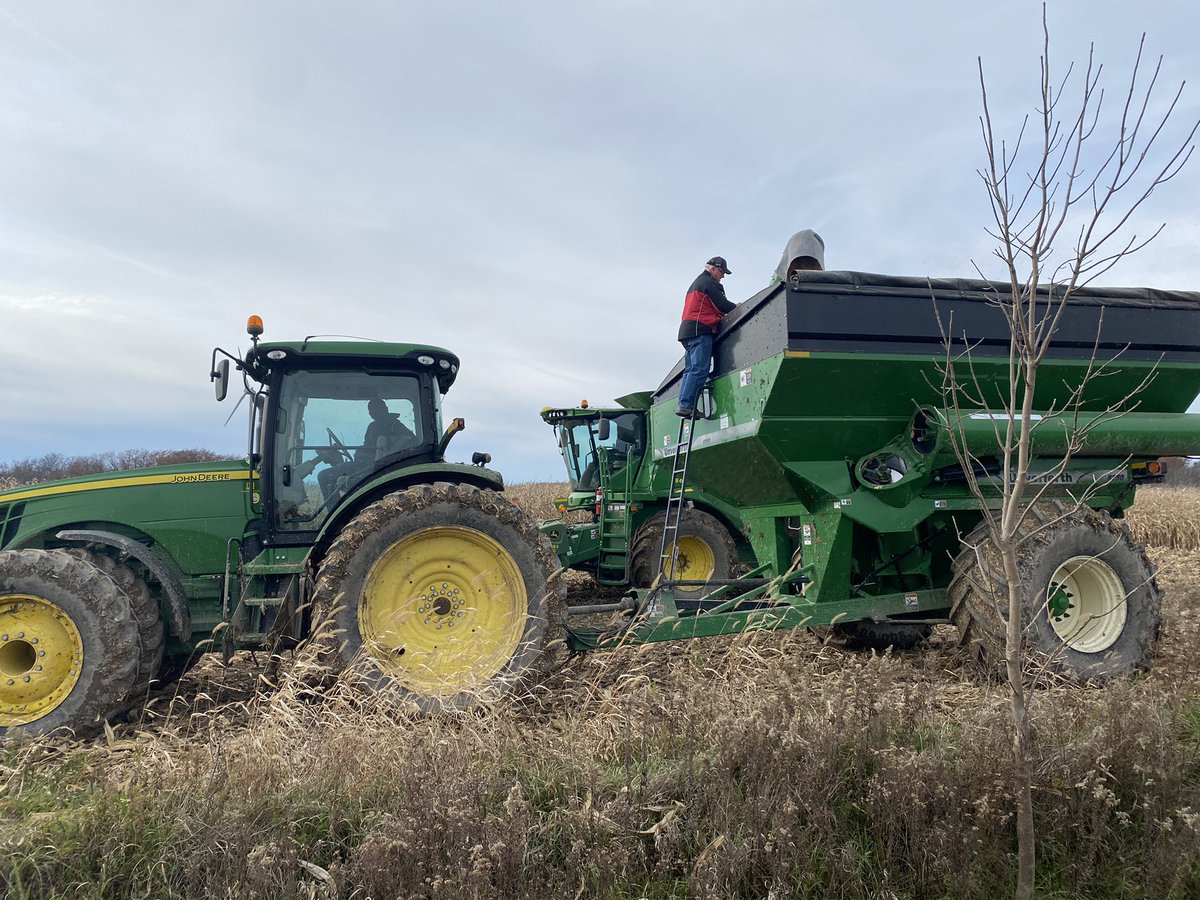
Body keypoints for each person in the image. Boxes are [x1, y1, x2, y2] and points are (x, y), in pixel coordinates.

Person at [676, 256, 736, 417]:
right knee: (699, 369)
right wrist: (738, 307)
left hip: (687, 330)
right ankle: (687, 405)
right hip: (700, 329)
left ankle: (684, 404)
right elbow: (722, 305)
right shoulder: (709, 283)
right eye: (722, 272)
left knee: (690, 369)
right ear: (713, 269)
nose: (723, 276)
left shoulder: (696, 283)